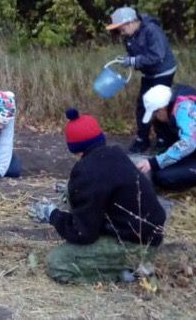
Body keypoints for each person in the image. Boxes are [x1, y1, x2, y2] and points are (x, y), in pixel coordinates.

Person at [29, 108, 166, 284]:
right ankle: (129, 264)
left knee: (57, 262)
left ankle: (125, 272)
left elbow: (83, 233)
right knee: (71, 197)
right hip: (146, 233)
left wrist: (53, 215)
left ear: (75, 149)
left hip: (135, 244)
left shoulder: (87, 173)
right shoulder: (116, 154)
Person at [105, 7, 178, 154]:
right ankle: (142, 138)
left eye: (121, 28)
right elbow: (135, 54)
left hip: (163, 72)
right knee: (142, 104)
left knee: (159, 105)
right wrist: (126, 60)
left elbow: (157, 56)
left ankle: (163, 139)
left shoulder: (152, 31)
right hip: (148, 74)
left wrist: (132, 61)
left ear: (130, 22)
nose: (121, 32)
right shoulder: (129, 36)